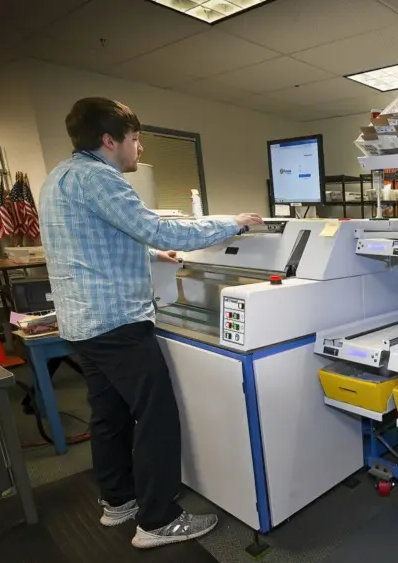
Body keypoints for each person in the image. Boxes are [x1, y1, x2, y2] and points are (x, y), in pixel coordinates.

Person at [38, 97, 263, 549]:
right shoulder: (100, 178)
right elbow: (160, 228)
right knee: (156, 415)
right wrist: (234, 223)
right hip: (117, 322)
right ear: (109, 140)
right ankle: (159, 519)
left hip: (83, 321)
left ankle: (118, 500)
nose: (139, 148)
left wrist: (151, 255)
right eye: (135, 139)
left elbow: (93, 241)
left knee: (109, 415)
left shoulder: (59, 176)